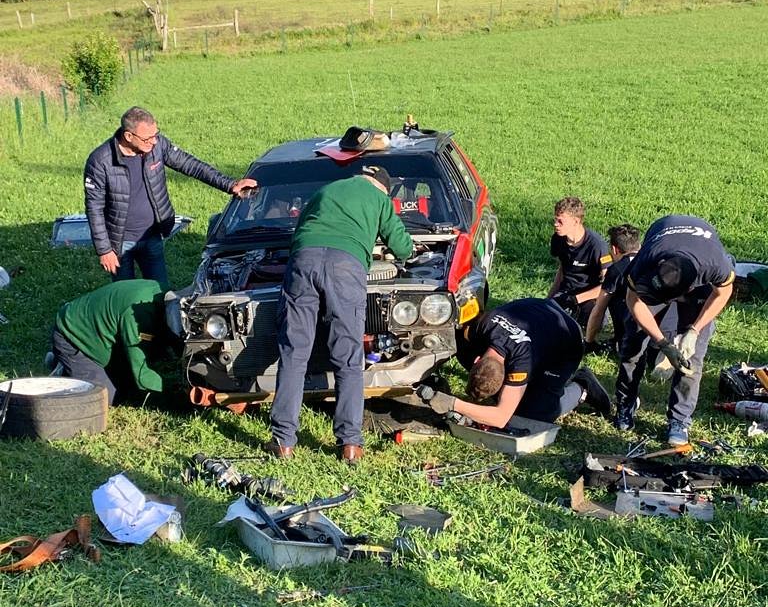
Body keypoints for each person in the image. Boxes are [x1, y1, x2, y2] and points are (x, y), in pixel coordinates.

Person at [268, 163, 413, 463]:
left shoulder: (326, 190)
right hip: (345, 267)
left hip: (303, 261)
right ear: (383, 188)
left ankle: (283, 442)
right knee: (348, 357)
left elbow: (299, 231)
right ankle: (350, 445)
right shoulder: (379, 199)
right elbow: (401, 246)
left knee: (294, 352)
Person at [84, 107, 258, 286]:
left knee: (159, 291)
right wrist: (104, 250)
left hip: (152, 235)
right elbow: (94, 208)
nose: (154, 141)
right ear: (128, 136)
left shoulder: (157, 146)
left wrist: (230, 184)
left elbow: (190, 164)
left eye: (156, 134)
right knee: (124, 294)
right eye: (147, 138)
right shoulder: (100, 161)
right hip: (120, 242)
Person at [614, 214, 735, 444]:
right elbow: (634, 301)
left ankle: (679, 420)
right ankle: (625, 404)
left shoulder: (715, 265)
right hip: (663, 245)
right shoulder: (646, 261)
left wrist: (694, 330)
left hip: (699, 281)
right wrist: (663, 343)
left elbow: (724, 293)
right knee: (633, 343)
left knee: (692, 358)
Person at [419, 298, 611, 428]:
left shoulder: (521, 363)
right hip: (540, 313)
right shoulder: (483, 324)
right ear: (478, 359)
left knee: (534, 413)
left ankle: (582, 387)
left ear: (508, 375)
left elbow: (501, 418)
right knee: (462, 348)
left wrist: (453, 404)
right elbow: (457, 335)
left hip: (567, 341)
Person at [50, 279, 173, 406]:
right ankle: (64, 368)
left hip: (105, 332)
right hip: (74, 335)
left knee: (128, 381)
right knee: (105, 397)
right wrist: (170, 396)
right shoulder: (138, 316)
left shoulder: (170, 297)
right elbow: (142, 371)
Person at [548, 197, 612, 327]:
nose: (556, 224)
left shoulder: (597, 246)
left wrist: (576, 299)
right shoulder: (558, 239)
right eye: (555, 219)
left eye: (560, 221)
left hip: (589, 296)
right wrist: (549, 299)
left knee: (590, 323)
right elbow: (562, 269)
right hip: (566, 292)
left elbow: (609, 285)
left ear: (576, 221)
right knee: (548, 319)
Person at [584, 223, 641, 353]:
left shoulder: (616, 270)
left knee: (611, 296)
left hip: (631, 340)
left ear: (614, 250)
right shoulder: (652, 262)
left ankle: (620, 339)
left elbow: (599, 310)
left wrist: (588, 342)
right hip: (659, 335)